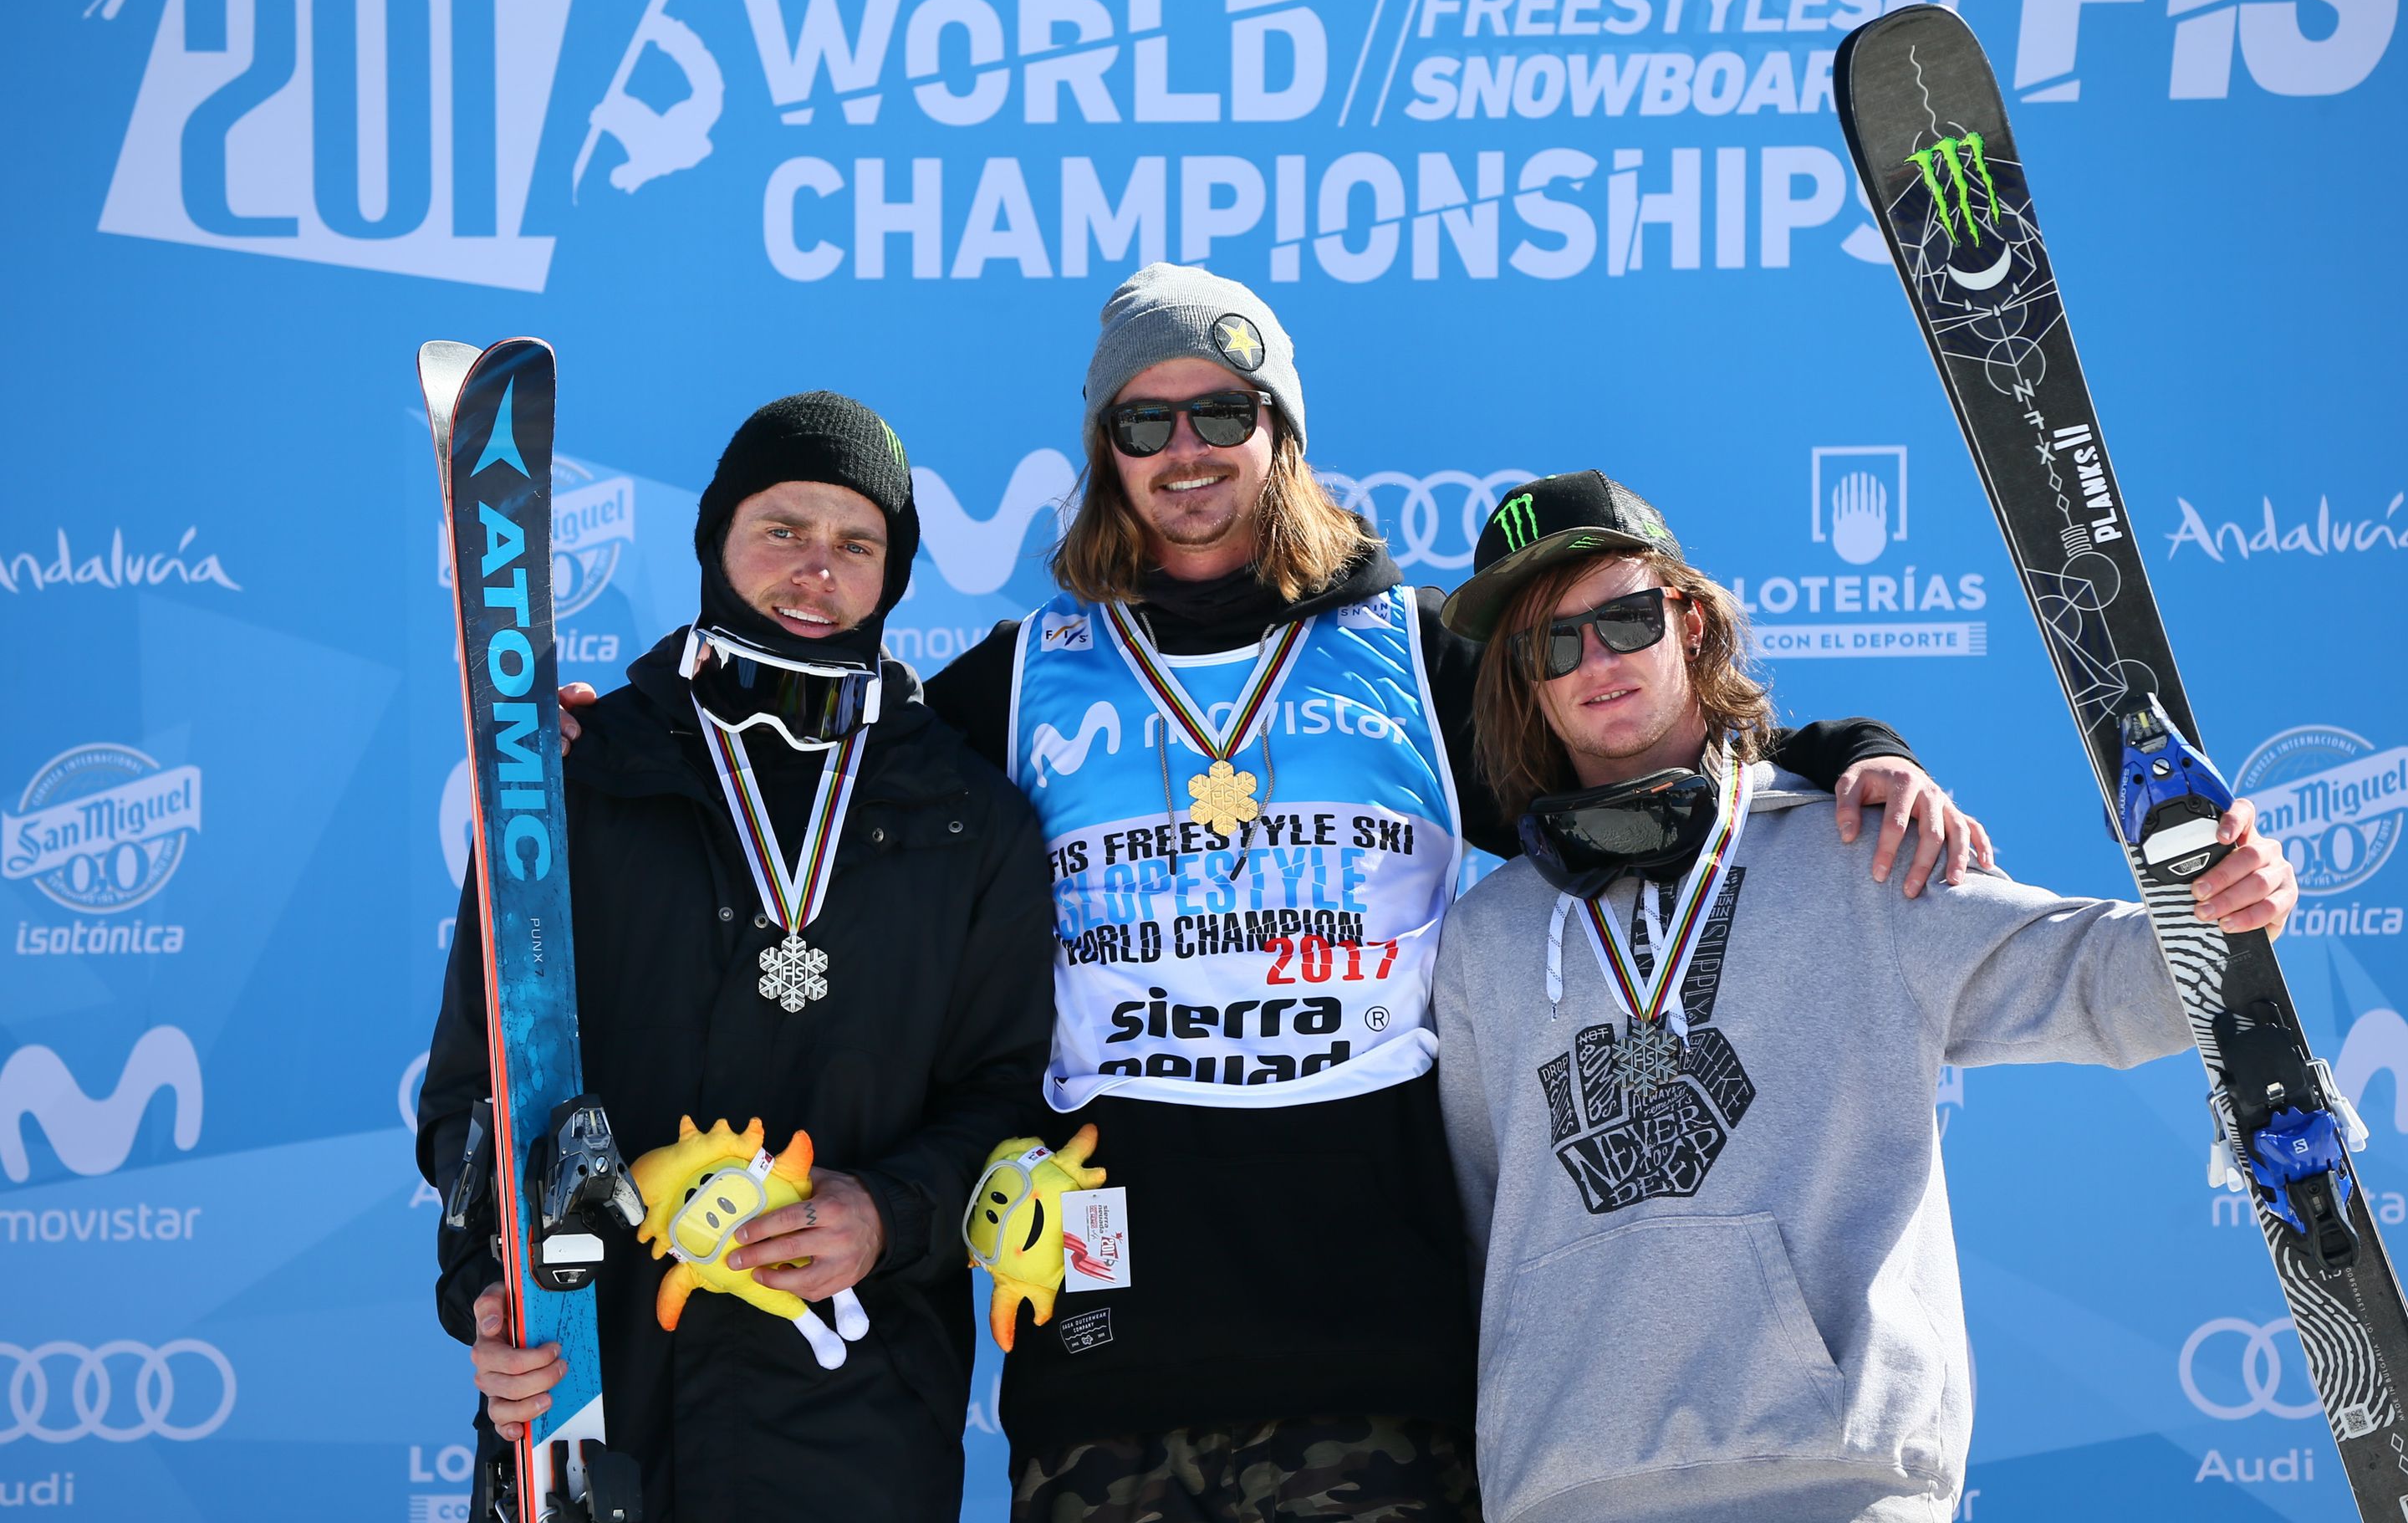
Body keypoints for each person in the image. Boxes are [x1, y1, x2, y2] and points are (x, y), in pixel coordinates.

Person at [910, 264, 1995, 1520]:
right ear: (1104, 449)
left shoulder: (1408, 653)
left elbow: (1637, 742)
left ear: (1284, 431)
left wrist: (1855, 749)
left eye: (1224, 411)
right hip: (1106, 1371)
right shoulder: (1018, 682)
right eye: (1144, 421)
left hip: (1376, 1371)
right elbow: (844, 830)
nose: (1186, 449)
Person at [1429, 471, 2298, 1523]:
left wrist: (2218, 904)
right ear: (1524, 681)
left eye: (1623, 618)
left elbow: (2107, 984)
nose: (1596, 662)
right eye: (1550, 644)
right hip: (1567, 1495)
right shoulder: (1488, 937)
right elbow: (1479, 1235)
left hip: (1833, 1488)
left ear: (1690, 622)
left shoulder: (1861, 855)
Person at [417, 392, 1056, 1521]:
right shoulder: (576, 780)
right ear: (716, 540)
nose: (817, 572)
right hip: (595, 1399)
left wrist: (889, 1215)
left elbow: (1007, 1096)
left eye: (856, 545)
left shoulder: (969, 818)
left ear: (894, 575)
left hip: (858, 1414)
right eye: (783, 531)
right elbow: (479, 1093)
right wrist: (489, 1298)